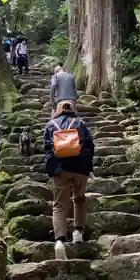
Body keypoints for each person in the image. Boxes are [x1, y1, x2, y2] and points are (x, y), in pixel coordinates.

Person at [42, 100, 94, 260]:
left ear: (58, 110)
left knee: (59, 204)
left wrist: (52, 169)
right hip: (80, 168)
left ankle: (59, 241)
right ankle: (78, 232)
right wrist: (87, 166)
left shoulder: (51, 125)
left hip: (60, 169)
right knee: (79, 199)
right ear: (73, 109)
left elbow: (46, 148)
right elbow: (90, 146)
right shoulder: (80, 123)